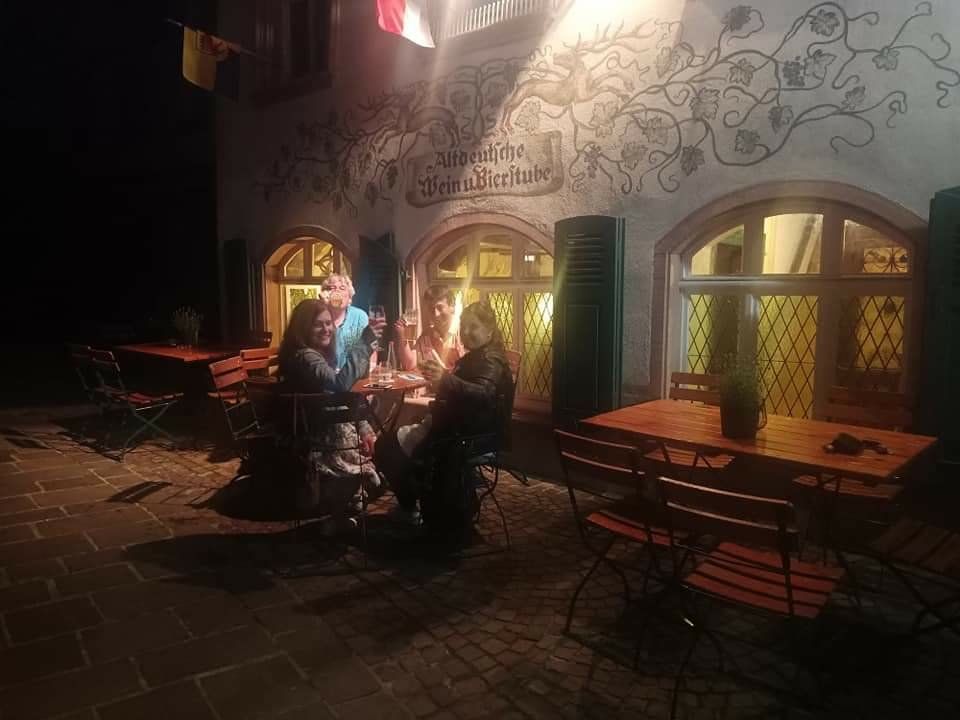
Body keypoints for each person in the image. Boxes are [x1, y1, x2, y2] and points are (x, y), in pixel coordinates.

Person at [376, 301, 514, 546]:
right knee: (389, 444)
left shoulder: (490, 360)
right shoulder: (477, 355)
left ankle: (412, 507)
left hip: (469, 435)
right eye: (464, 326)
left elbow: (483, 393)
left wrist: (445, 380)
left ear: (490, 330)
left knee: (386, 447)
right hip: (456, 427)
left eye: (474, 327)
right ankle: (415, 505)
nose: (466, 332)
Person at [278, 298, 386, 534]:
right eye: (318, 324)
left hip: (326, 426)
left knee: (374, 429)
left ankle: (349, 508)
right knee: (384, 451)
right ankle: (346, 511)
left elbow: (344, 393)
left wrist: (364, 428)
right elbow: (340, 384)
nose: (326, 329)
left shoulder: (314, 354)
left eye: (328, 323)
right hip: (315, 437)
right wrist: (364, 343)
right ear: (303, 327)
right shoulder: (305, 357)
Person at [396, 285, 465, 372]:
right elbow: (409, 364)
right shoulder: (427, 334)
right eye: (431, 309)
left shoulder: (463, 332)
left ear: (452, 307)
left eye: (440, 308)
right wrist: (402, 335)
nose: (436, 314)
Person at [321, 274, 370, 370]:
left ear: (349, 297)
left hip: (354, 374)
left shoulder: (360, 316)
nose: (337, 291)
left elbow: (370, 346)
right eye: (332, 288)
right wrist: (324, 307)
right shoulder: (319, 316)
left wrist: (370, 370)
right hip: (324, 373)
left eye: (342, 288)